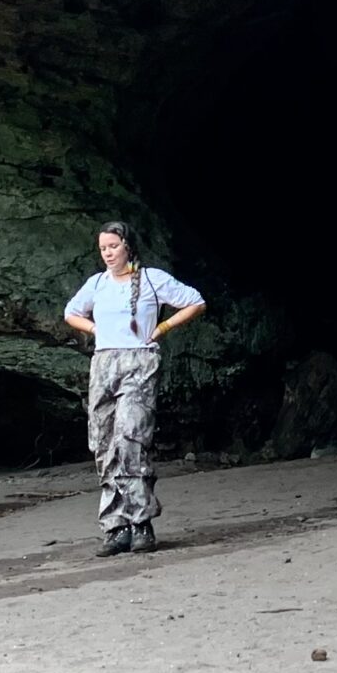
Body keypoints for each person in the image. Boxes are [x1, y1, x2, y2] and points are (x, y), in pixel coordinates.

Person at [64, 221, 206, 556]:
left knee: (131, 439)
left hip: (139, 361)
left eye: (113, 246)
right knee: (102, 443)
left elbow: (195, 301)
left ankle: (141, 522)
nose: (107, 253)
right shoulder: (97, 283)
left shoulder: (153, 279)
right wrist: (95, 329)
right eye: (102, 248)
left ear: (128, 245)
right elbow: (71, 312)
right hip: (103, 364)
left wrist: (164, 326)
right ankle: (116, 527)